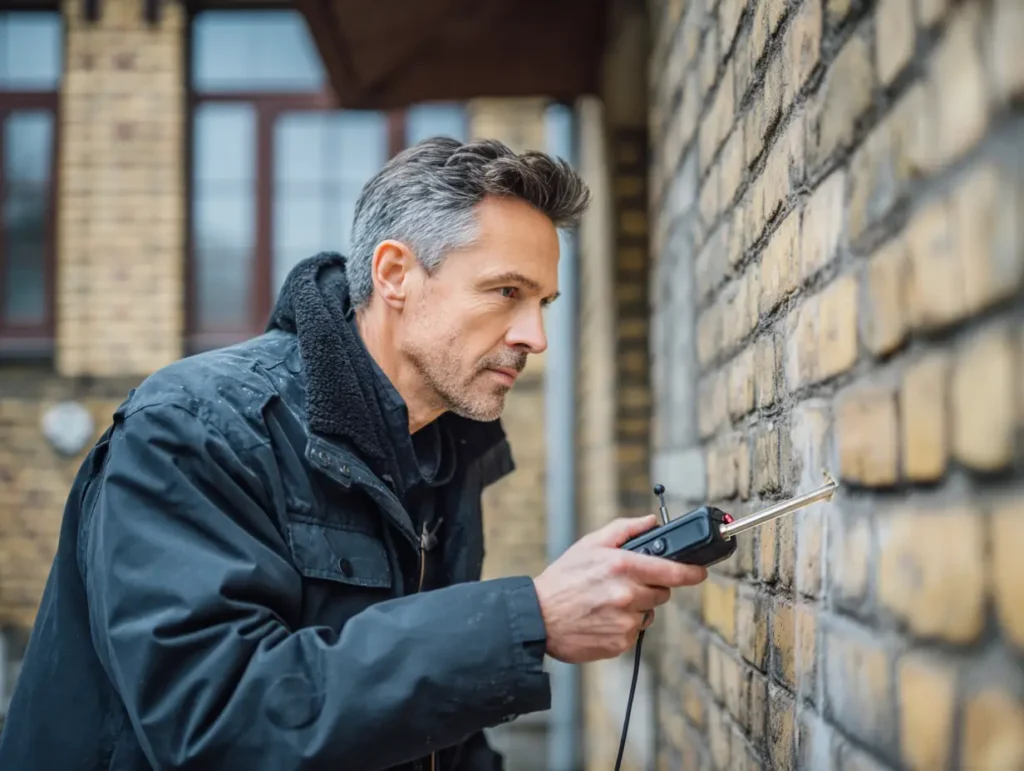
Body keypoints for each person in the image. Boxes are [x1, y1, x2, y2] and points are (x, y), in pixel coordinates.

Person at [0, 137, 708, 771]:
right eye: (505, 292)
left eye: (544, 303)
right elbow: (215, 725)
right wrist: (527, 620)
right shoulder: (193, 429)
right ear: (395, 273)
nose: (534, 335)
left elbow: (437, 735)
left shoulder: (445, 444)